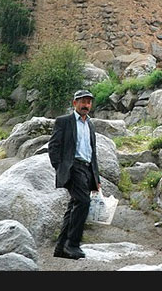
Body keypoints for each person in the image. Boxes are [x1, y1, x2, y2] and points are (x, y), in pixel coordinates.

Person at [48, 89, 101, 259]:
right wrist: (61, 167)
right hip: (73, 168)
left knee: (73, 207)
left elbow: (92, 153)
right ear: (74, 103)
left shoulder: (90, 124)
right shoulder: (64, 121)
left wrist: (96, 178)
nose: (86, 105)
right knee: (83, 203)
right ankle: (72, 244)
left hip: (86, 169)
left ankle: (61, 248)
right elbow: (53, 146)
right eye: (82, 101)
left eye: (88, 102)